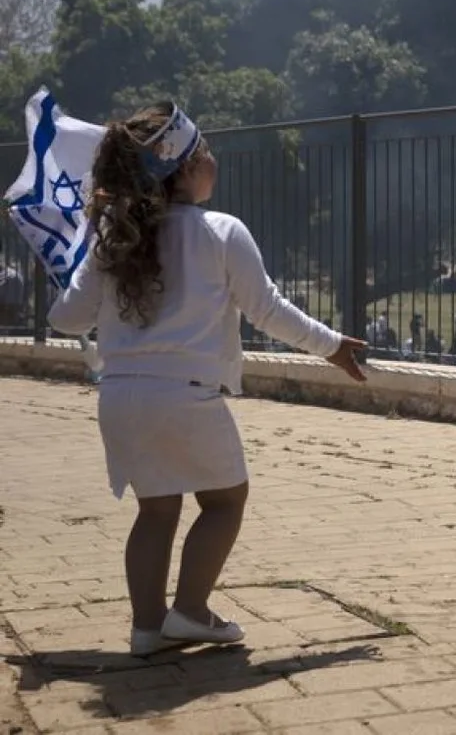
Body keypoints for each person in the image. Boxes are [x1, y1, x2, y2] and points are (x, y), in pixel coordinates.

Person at [47, 103, 367, 658]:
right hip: (187, 397)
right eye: (207, 151)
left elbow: (64, 319)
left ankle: (147, 628)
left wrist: (82, 260)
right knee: (225, 501)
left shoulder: (111, 241)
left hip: (121, 397)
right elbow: (268, 310)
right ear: (186, 168)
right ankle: (191, 612)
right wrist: (333, 346)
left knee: (155, 510)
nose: (214, 160)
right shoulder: (221, 232)